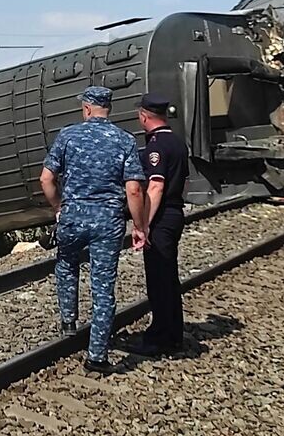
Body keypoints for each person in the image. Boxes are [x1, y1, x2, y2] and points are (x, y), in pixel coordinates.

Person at [40, 85, 148, 373]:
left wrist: (58, 207)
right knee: (103, 286)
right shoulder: (124, 140)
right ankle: (97, 356)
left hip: (73, 217)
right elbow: (135, 189)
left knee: (66, 266)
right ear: (107, 108)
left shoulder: (68, 136)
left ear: (86, 108)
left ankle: (68, 321)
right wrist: (139, 226)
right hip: (107, 222)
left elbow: (46, 179)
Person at [121, 93, 190, 355]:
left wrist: (143, 225)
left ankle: (160, 337)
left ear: (144, 116)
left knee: (159, 279)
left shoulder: (156, 147)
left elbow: (156, 186)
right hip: (174, 212)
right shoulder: (178, 142)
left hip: (161, 217)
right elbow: (182, 182)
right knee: (169, 277)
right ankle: (173, 333)